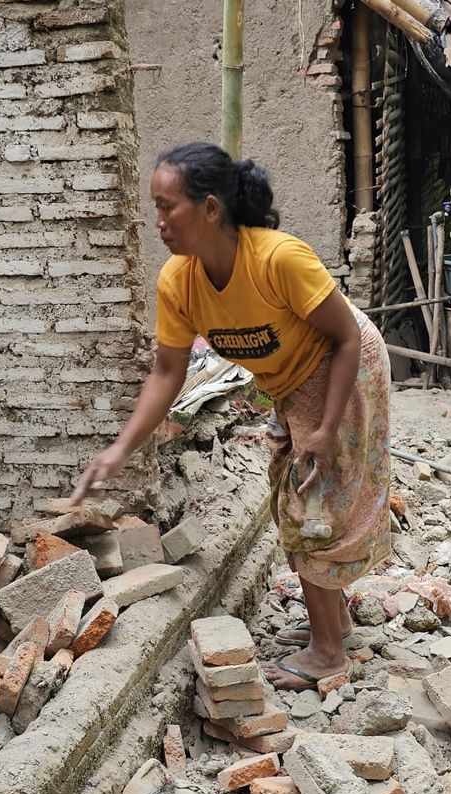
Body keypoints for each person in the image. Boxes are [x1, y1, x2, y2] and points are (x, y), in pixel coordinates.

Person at [69, 142, 393, 691]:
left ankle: (328, 654)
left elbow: (343, 338)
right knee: (292, 493)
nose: (159, 221)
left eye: (167, 206)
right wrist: (121, 448)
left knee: (311, 504)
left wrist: (326, 427)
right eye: (156, 207)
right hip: (290, 383)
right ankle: (331, 622)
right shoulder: (178, 282)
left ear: (211, 208)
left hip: (344, 367)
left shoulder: (277, 259)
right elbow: (167, 373)